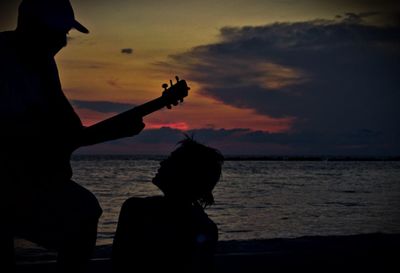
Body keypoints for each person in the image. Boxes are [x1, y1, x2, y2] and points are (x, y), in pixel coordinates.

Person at [0, 0, 145, 272]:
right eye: (57, 34)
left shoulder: (42, 62)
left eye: (65, 35)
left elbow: (69, 130)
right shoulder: (8, 62)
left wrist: (112, 131)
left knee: (85, 212)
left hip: (28, 181)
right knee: (82, 214)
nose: (62, 43)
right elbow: (26, 138)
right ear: (31, 27)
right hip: (12, 181)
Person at [112, 136, 224, 273]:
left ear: (185, 173)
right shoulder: (206, 225)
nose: (162, 163)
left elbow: (120, 264)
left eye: (171, 161)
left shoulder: (136, 209)